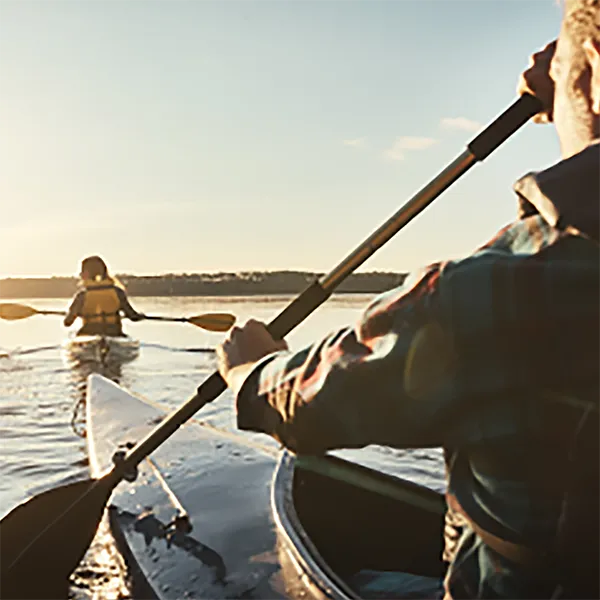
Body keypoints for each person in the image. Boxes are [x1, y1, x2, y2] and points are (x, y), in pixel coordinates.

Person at [215, 2, 600, 598]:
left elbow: (315, 402)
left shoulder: (513, 285)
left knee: (367, 579)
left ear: (594, 69)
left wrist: (249, 370)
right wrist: (576, 83)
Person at [64, 255, 144, 337]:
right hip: (114, 332)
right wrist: (141, 316)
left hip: (89, 333)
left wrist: (74, 314)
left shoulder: (82, 295)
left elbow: (67, 322)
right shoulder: (118, 292)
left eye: (82, 271)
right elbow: (133, 317)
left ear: (86, 274)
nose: (80, 274)